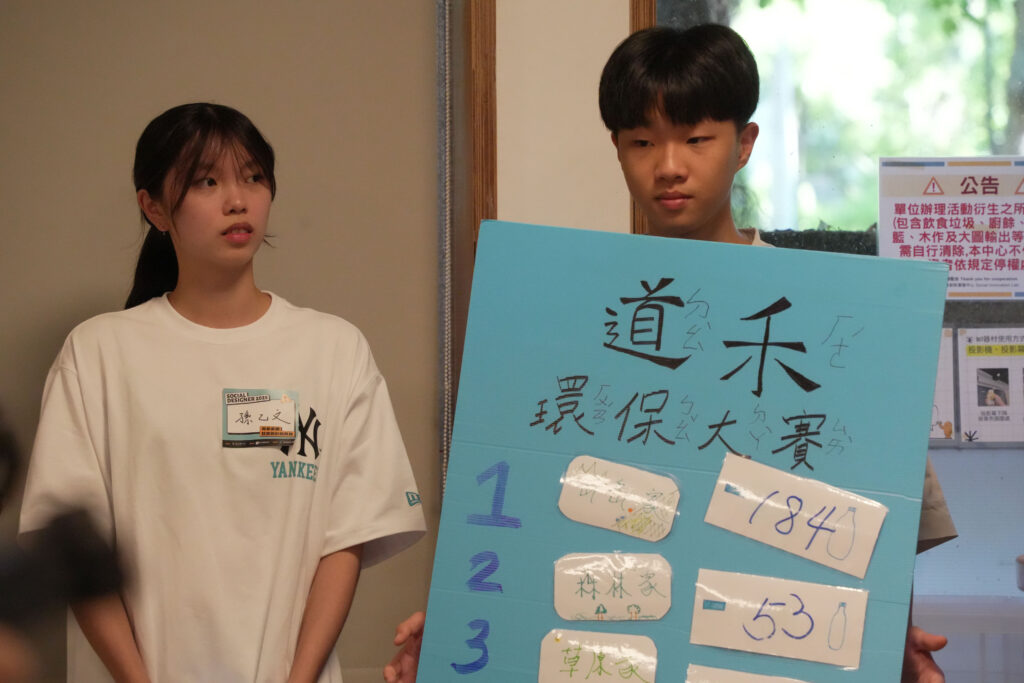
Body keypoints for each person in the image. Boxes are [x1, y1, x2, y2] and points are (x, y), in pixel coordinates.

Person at [384, 24, 957, 683]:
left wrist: (890, 636)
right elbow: (522, 507)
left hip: (761, 654)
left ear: (745, 144)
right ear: (617, 149)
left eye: (696, 139)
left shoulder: (825, 315)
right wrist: (458, 619)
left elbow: (878, 516)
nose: (668, 166)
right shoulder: (564, 316)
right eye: (642, 142)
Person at [18, 102, 426, 682]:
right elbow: (77, 551)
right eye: (207, 182)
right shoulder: (98, 353)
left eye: (253, 177)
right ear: (154, 208)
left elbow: (346, 539)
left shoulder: (333, 349)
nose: (238, 200)